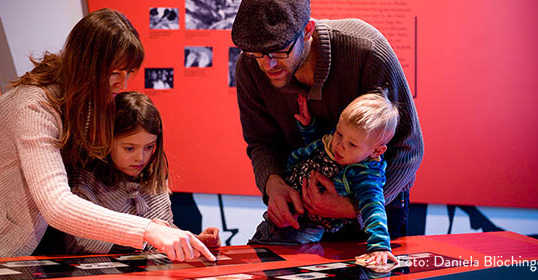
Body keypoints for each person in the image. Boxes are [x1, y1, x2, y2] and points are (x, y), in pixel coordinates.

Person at [0, 8, 216, 261]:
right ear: (88, 65)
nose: (123, 83)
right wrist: (148, 231)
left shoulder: (88, 101)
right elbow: (57, 204)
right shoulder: (34, 106)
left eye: (129, 72)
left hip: (25, 229)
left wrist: (169, 233)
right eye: (115, 72)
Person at [231, 0, 423, 242]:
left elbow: (409, 149)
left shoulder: (366, 49)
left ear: (308, 30)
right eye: (255, 53)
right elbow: (262, 141)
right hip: (304, 206)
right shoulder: (250, 66)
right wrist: (273, 183)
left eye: (278, 51)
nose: (266, 64)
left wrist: (352, 208)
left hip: (374, 202)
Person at [251, 92, 399, 265]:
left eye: (352, 144)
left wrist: (379, 246)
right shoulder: (339, 142)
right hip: (280, 211)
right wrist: (308, 126)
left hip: (302, 228)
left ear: (376, 151)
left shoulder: (365, 174)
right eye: (339, 133)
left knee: (269, 266)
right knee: (255, 257)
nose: (340, 145)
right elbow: (318, 148)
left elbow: (374, 207)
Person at [63, 92, 220, 255]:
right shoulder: (86, 183)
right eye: (129, 148)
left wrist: (192, 240)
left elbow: (165, 232)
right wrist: (144, 234)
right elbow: (78, 244)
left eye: (149, 147)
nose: (141, 158)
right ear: (106, 139)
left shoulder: (153, 179)